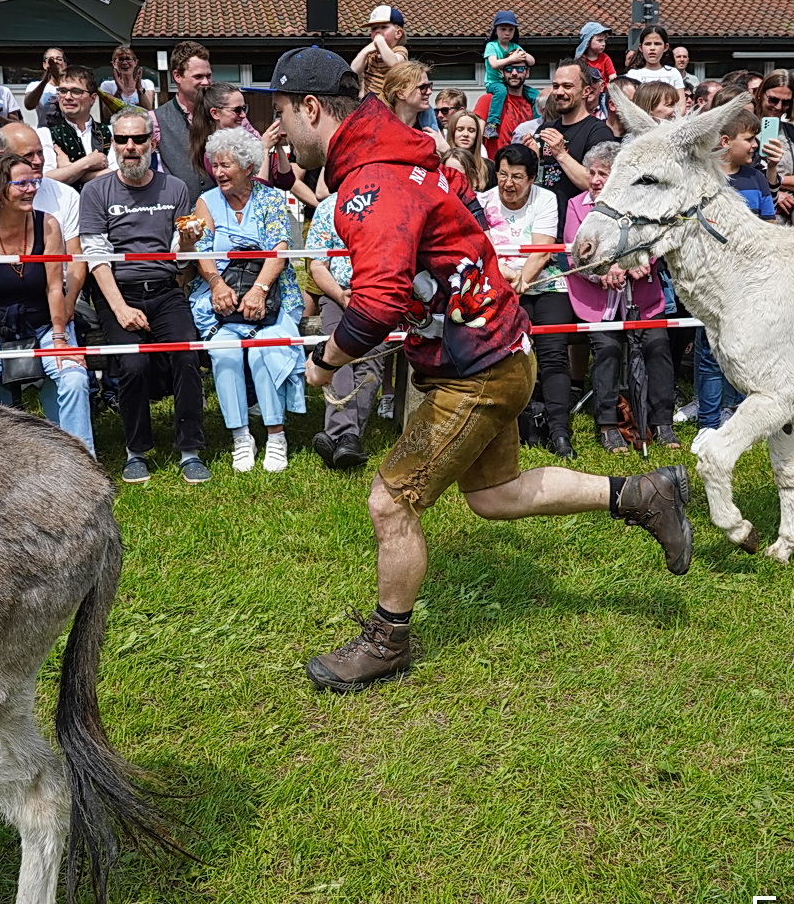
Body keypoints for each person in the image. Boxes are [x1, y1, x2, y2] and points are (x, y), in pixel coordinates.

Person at [272, 45, 691, 693]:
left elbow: (377, 301)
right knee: (494, 495)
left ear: (309, 107)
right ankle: (643, 493)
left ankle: (387, 643)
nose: (281, 136)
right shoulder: (397, 147)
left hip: (476, 366)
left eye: (282, 117)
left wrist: (326, 362)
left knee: (391, 500)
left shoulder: (374, 179)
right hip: (493, 348)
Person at [80, 106, 208, 485]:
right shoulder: (95, 190)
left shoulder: (176, 188)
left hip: (166, 289)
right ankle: (137, 450)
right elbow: (96, 257)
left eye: (138, 139)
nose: (131, 147)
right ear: (112, 144)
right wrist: (120, 308)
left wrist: (186, 242)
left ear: (153, 141)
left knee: (187, 356)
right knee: (132, 366)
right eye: (122, 140)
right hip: (118, 291)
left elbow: (180, 255)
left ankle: (190, 449)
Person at [0, 152, 93, 450]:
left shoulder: (48, 225)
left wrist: (59, 340)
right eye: (22, 183)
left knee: (73, 378)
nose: (32, 189)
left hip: (44, 326)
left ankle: (82, 462)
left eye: (34, 182)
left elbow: (55, 289)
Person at [186, 127, 306, 473]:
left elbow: (279, 250)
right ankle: (241, 436)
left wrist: (260, 289)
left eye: (226, 166)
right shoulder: (206, 202)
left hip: (272, 295)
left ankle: (275, 434)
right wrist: (216, 284)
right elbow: (202, 251)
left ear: (248, 167)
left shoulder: (269, 199)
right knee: (223, 351)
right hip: (223, 295)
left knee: (265, 348)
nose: (219, 173)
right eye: (215, 166)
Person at [564, 141, 677, 452]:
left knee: (657, 346)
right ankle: (608, 425)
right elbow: (575, 257)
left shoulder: (638, 203)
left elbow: (654, 240)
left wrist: (633, 265)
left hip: (642, 297)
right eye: (593, 173)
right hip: (597, 302)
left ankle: (662, 423)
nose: (597, 179)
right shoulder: (576, 206)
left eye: (605, 174)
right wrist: (604, 274)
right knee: (607, 351)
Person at [480, 144, 573, 457]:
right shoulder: (483, 202)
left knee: (553, 352)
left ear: (532, 178)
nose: (509, 183)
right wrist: (509, 283)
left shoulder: (546, 199)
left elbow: (542, 250)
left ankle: (560, 432)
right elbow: (486, 252)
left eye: (517, 177)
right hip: (501, 286)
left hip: (545, 283)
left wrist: (521, 282)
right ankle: (522, 427)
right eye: (503, 175)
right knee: (510, 356)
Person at [693, 107, 779, 434]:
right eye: (750, 138)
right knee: (711, 353)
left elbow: (769, 226)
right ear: (726, 141)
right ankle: (708, 422)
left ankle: (737, 413)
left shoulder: (757, 178)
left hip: (752, 285)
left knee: (746, 355)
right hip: (714, 285)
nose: (756, 144)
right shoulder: (702, 181)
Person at [305, 183, 375, 470]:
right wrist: (339, 295)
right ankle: (348, 437)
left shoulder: (383, 205)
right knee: (338, 356)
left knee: (370, 364)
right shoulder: (326, 208)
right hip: (336, 295)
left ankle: (339, 435)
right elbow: (317, 266)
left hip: (375, 296)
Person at [0, 123, 85, 315]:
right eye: (28, 156)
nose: (38, 161)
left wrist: (67, 304)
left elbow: (77, 258)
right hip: (5, 301)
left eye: (40, 153)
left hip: (63, 293)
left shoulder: (67, 195)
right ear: (3, 156)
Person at [535, 60, 616, 233]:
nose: (559, 92)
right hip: (544, 230)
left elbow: (595, 183)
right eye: (556, 86)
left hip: (580, 231)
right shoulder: (546, 128)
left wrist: (561, 154)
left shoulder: (598, 132)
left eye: (567, 86)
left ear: (586, 91)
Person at [154, 40, 214, 200]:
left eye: (209, 76)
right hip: (178, 212)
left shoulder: (223, 112)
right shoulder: (156, 119)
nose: (206, 83)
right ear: (177, 76)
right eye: (198, 77)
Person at [756, 71, 794, 220]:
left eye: (786, 102)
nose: (778, 107)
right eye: (773, 100)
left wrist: (776, 182)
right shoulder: (743, 129)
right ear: (760, 95)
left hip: (791, 215)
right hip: (758, 213)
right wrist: (775, 192)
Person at [38, 65, 112, 187]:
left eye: (76, 92)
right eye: (62, 91)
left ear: (92, 99)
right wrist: (87, 163)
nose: (67, 97)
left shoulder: (109, 132)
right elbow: (45, 178)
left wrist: (68, 169)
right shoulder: (45, 134)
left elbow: (115, 175)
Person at [479, 10, 534, 137]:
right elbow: (494, 64)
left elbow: (532, 61)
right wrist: (512, 59)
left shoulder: (515, 46)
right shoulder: (491, 46)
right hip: (494, 83)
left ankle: (537, 124)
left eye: (511, 29)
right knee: (501, 91)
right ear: (496, 30)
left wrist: (524, 55)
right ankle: (492, 124)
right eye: (503, 29)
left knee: (535, 95)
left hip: (507, 83)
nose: (507, 33)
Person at [473, 60, 536, 159]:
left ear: (527, 72)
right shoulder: (488, 100)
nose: (514, 73)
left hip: (523, 169)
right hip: (493, 168)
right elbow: (475, 139)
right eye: (509, 69)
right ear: (502, 72)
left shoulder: (534, 105)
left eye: (520, 69)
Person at [352, 6, 410, 101]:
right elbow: (354, 70)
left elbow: (394, 64)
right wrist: (365, 51)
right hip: (370, 104)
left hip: (390, 104)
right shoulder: (371, 54)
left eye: (384, 27)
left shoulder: (399, 50)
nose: (377, 31)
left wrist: (380, 42)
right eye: (374, 29)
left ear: (398, 33)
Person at [442, 109, 493, 189]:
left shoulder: (489, 167)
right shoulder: (441, 163)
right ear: (452, 132)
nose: (465, 134)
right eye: (460, 129)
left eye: (471, 130)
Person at [99, 45, 157, 112]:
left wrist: (139, 88)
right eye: (120, 59)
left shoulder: (147, 83)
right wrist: (119, 91)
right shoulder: (106, 85)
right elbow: (107, 114)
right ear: (114, 64)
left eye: (128, 59)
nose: (124, 63)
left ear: (135, 63)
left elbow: (148, 109)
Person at [23, 46, 70, 129]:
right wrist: (45, 80)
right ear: (44, 65)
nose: (55, 61)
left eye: (59, 59)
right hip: (45, 132)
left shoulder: (72, 85)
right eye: (51, 59)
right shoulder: (34, 85)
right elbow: (29, 105)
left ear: (65, 64)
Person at [625, 25, 684, 90]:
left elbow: (681, 99)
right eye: (648, 44)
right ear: (640, 47)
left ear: (666, 47)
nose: (652, 48)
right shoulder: (633, 74)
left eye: (657, 44)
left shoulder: (673, 73)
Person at [577, 21, 619, 97]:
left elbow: (613, 77)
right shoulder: (580, 60)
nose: (604, 44)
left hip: (603, 94)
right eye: (599, 40)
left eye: (604, 41)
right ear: (588, 41)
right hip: (585, 94)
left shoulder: (605, 58)